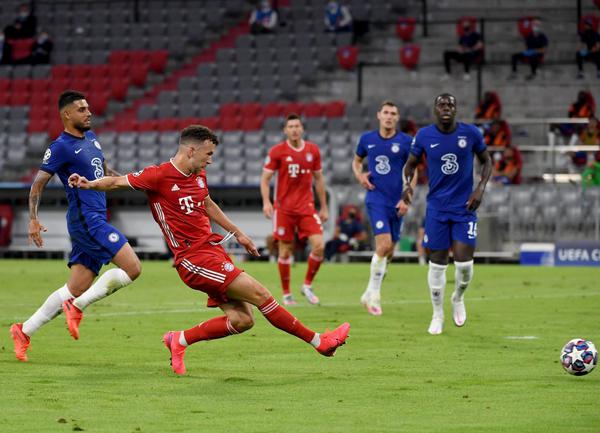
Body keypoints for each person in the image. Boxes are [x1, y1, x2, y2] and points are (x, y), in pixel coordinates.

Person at [68, 125, 350, 375]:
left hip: (212, 252)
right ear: (191, 150)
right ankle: (320, 342)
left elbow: (207, 204)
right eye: (208, 153)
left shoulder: (198, 174)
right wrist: (88, 184)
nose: (211, 160)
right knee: (262, 295)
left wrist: (239, 233)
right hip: (192, 259)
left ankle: (179, 340)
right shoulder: (159, 175)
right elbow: (116, 181)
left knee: (242, 320)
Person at [9, 90, 142, 362]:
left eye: (88, 108)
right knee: (133, 267)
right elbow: (38, 184)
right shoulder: (60, 147)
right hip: (86, 220)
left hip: (97, 218)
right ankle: (77, 307)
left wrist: (136, 183)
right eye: (82, 109)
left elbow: (105, 174)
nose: (89, 113)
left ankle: (23, 331)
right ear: (67, 114)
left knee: (75, 287)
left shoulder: (92, 139)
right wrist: (33, 219)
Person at [402, 93, 491, 335]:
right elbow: (410, 164)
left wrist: (480, 188)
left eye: (450, 104)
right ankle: (437, 314)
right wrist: (407, 185)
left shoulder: (470, 133)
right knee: (437, 264)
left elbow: (487, 161)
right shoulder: (424, 135)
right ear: (435, 109)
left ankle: (458, 297)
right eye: (441, 104)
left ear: (456, 109)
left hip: (464, 209)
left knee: (464, 265)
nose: (446, 108)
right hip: (437, 209)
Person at [352, 101, 415, 316]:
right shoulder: (367, 139)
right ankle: (375, 296)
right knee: (384, 245)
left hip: (397, 202)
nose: (389, 116)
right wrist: (359, 175)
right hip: (376, 199)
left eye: (393, 113)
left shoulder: (406, 142)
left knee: (389, 253)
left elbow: (413, 171)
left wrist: (407, 199)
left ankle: (367, 293)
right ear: (379, 115)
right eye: (386, 113)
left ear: (397, 118)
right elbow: (356, 161)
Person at [260, 114, 329, 306]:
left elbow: (319, 179)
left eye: (297, 126)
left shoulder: (313, 150)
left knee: (319, 246)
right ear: (285, 130)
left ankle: (307, 285)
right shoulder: (277, 151)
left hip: (307, 207)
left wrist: (324, 206)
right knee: (285, 251)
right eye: (290, 126)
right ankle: (287, 294)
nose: (294, 129)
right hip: (284, 209)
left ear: (302, 129)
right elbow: (265, 179)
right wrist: (266, 202)